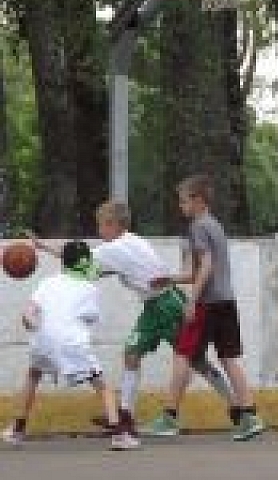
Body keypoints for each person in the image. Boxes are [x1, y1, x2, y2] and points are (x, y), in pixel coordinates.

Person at [31, 201, 235, 451]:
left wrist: (43, 247)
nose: (99, 231)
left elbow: (77, 258)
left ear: (113, 225)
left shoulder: (114, 249)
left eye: (100, 226)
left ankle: (236, 407)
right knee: (131, 353)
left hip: (166, 304)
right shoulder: (132, 240)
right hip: (155, 305)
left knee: (197, 361)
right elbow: (94, 265)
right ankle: (125, 415)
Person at [143, 174, 264, 441]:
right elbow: (195, 271)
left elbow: (206, 267)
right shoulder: (215, 226)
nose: (180, 206)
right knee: (228, 357)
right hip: (226, 301)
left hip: (207, 303)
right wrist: (170, 279)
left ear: (198, 201)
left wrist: (192, 299)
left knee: (183, 355)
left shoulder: (198, 227)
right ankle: (249, 415)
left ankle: (169, 417)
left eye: (183, 200)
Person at [2, 241, 119, 447]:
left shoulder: (48, 282)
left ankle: (17, 429)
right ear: (87, 263)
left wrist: (30, 321)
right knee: (103, 386)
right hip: (70, 342)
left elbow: (29, 311)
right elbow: (91, 318)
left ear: (63, 263)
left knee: (33, 375)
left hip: (42, 339)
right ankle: (120, 434)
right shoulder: (90, 288)